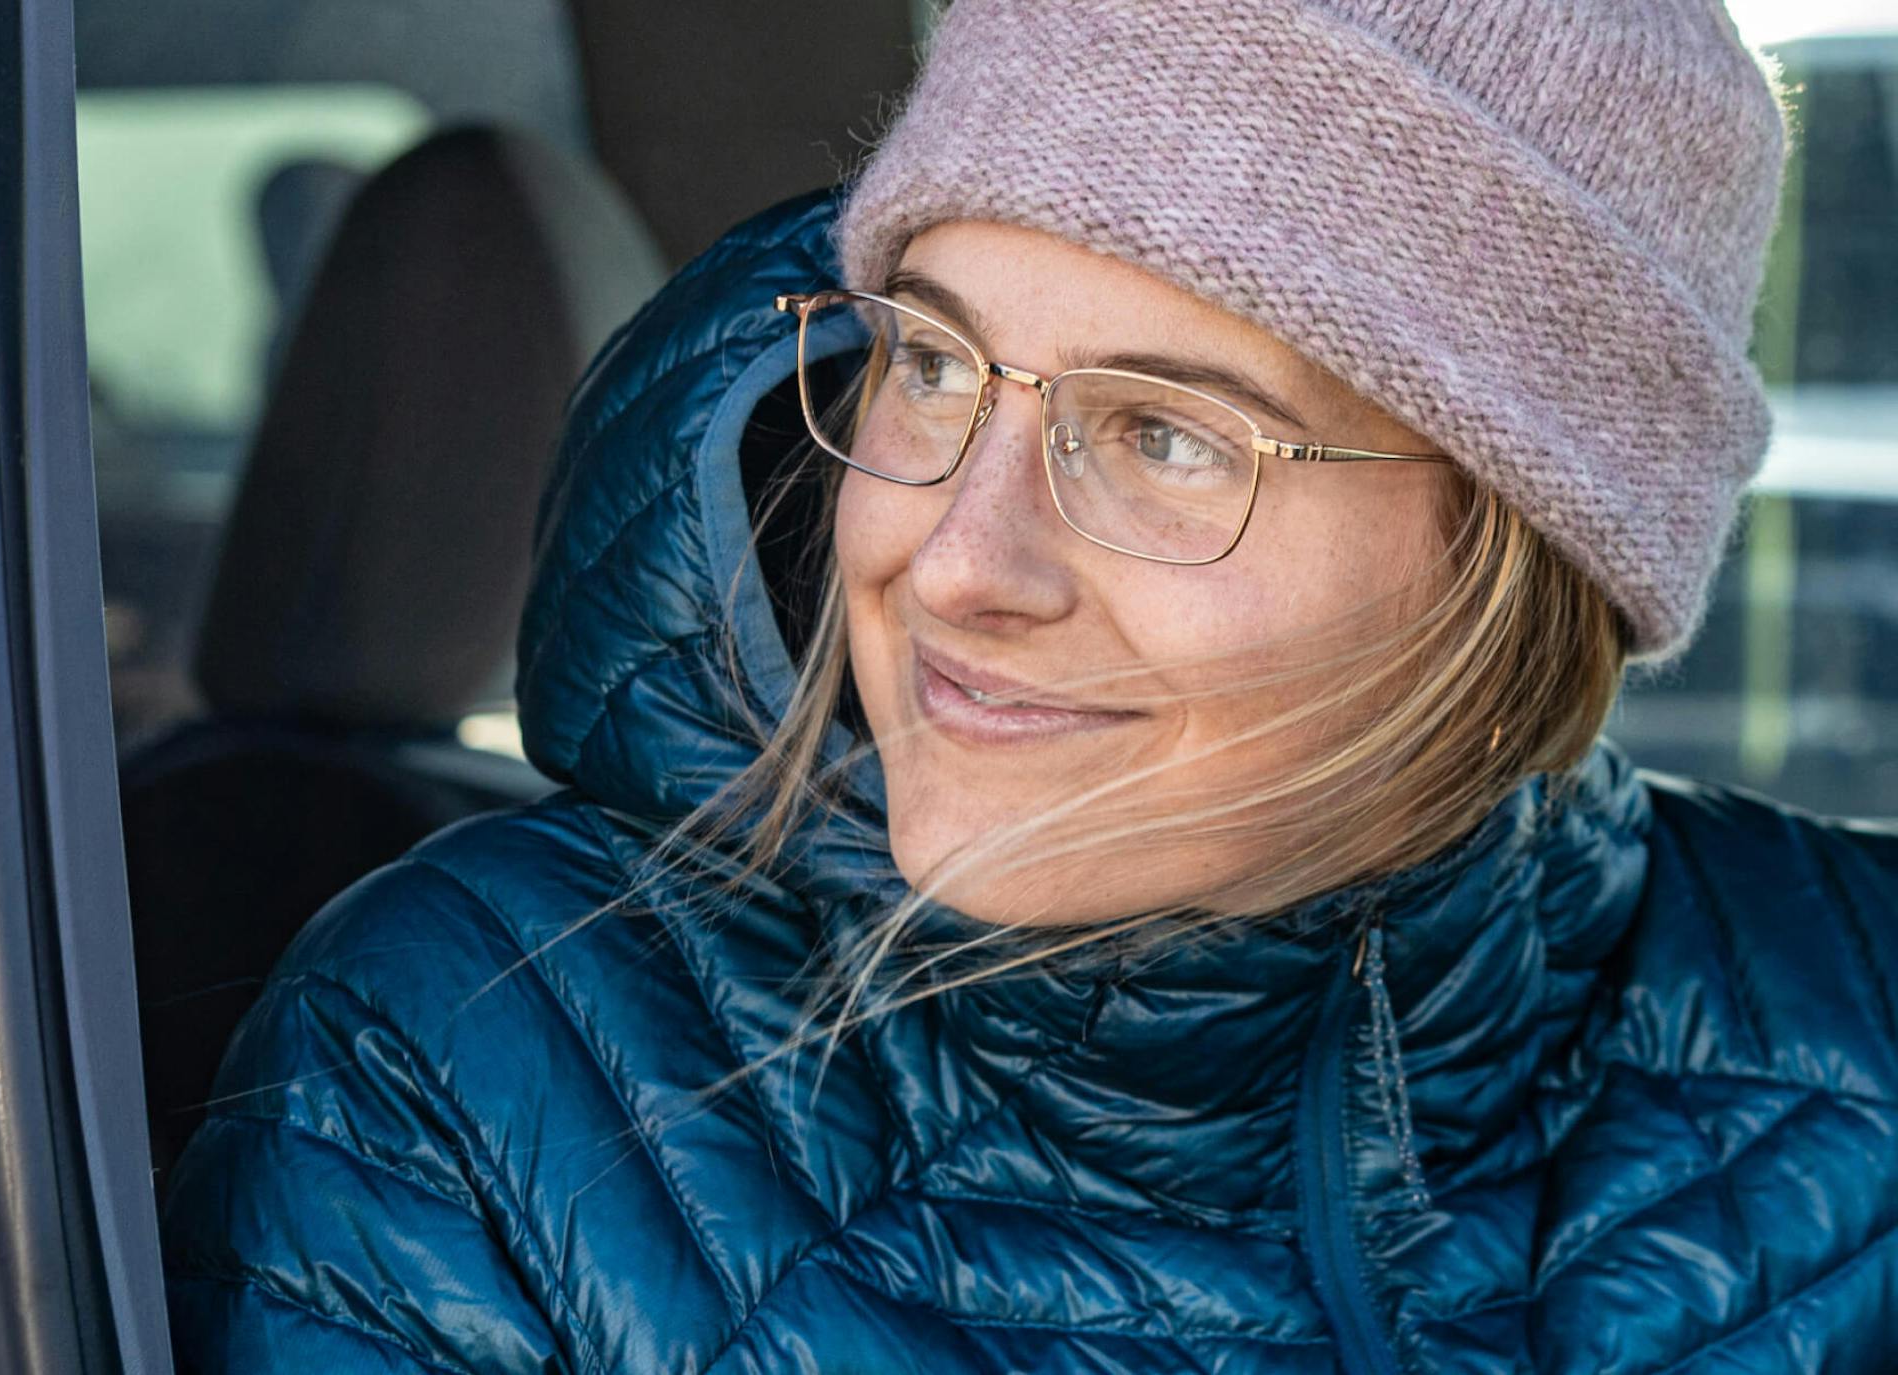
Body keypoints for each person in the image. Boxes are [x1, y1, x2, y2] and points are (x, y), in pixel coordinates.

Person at [160, 0, 1898, 1369]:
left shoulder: (1862, 1035)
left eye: (1162, 436)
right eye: (929, 361)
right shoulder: (483, 1061)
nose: (956, 559)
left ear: (1529, 549)